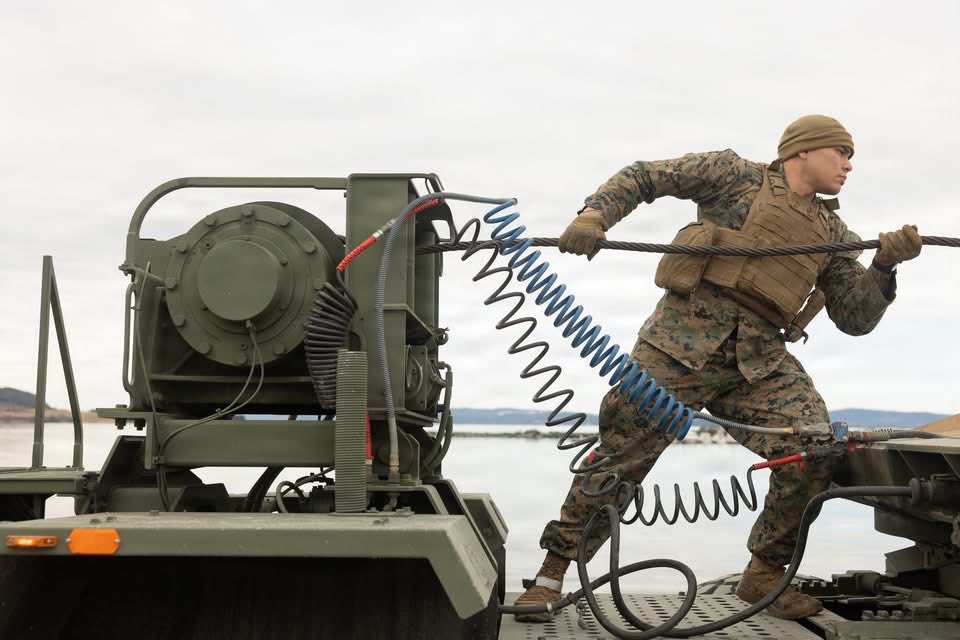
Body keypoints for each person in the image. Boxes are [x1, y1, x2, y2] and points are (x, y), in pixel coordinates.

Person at [514, 115, 922, 622]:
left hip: (757, 362)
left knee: (815, 444)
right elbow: (645, 175)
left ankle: (765, 574)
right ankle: (551, 575)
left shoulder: (833, 234)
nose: (848, 163)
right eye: (840, 151)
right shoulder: (733, 174)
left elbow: (855, 319)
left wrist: (884, 266)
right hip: (677, 344)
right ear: (802, 152)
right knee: (619, 460)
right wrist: (595, 216)